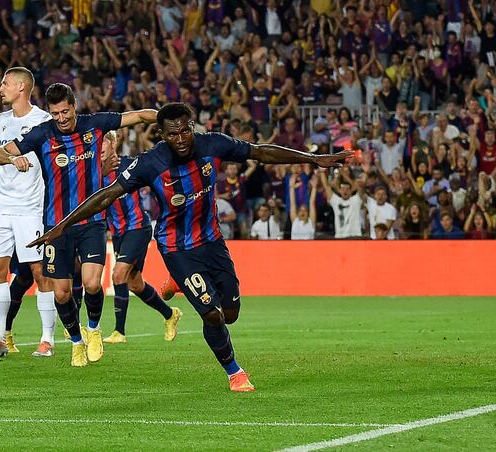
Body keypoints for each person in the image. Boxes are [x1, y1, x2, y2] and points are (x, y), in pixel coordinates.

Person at [29, 103, 351, 391]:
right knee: (212, 314)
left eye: (185, 130)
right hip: (176, 248)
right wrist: (62, 226)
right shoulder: (150, 163)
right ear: (162, 134)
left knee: (232, 312)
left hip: (212, 241)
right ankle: (234, 372)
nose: (181, 138)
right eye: (173, 134)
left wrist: (314, 159)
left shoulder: (213, 144)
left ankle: (179, 285)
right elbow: (106, 195)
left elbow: (261, 152)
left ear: (192, 126)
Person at [0, 82, 158, 367]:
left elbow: (141, 116)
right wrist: (13, 157)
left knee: (93, 284)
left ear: (74, 106)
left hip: (91, 221)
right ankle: (76, 341)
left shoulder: (95, 125)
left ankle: (93, 330)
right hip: (56, 226)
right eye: (55, 114)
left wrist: (171, 117)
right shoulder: (42, 134)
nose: (61, 119)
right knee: (62, 292)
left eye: (65, 112)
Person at [0, 67, 56, 358]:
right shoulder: (1, 120)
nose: (0, 87)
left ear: (21, 87)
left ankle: (47, 339)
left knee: (39, 271)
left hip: (30, 208)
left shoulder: (43, 120)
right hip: (1, 208)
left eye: (5, 83)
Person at [100, 131, 183, 344]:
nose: (99, 148)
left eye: (103, 142)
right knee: (135, 284)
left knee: (118, 275)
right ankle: (170, 314)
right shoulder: (95, 173)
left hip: (138, 228)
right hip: (118, 233)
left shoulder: (130, 164)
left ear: (112, 143)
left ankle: (119, 332)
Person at [289, 174, 317, 240]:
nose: (303, 212)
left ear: (308, 213)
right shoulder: (295, 221)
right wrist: (291, 187)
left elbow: (312, 203)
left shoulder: (311, 222)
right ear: (297, 213)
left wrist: (314, 188)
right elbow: (292, 204)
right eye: (301, 210)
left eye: (305, 210)